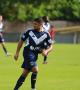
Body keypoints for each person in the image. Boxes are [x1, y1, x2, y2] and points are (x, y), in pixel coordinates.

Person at [14, 18, 53, 90]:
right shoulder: (29, 31)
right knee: (35, 69)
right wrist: (17, 53)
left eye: (35, 24)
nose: (33, 25)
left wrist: (46, 51)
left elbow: (51, 46)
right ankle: (33, 88)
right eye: (33, 23)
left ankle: (15, 89)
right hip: (27, 52)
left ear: (41, 25)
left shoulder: (46, 34)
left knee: (25, 73)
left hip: (35, 55)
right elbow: (21, 41)